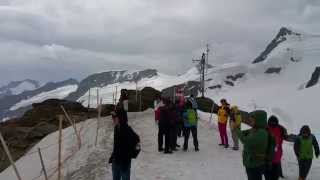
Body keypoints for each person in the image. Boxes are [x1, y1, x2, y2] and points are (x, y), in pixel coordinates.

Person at [236, 110, 270, 180]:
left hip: (255, 164)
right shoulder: (255, 129)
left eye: (253, 120)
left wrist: (236, 129)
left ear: (259, 120)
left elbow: (246, 141)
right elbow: (243, 133)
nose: (251, 121)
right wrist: (239, 131)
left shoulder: (262, 132)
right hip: (250, 162)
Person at [109, 108, 140, 180]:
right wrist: (113, 156)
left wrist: (131, 155)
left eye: (114, 118)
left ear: (121, 118)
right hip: (115, 162)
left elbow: (137, 143)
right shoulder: (116, 128)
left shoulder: (128, 130)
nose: (113, 119)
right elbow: (116, 145)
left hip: (124, 164)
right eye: (112, 118)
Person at [265, 115, 288, 180]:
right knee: (271, 172)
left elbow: (286, 137)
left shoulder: (281, 128)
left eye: (273, 122)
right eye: (271, 122)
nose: (272, 124)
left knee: (274, 172)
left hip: (276, 154)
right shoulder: (266, 128)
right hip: (269, 154)